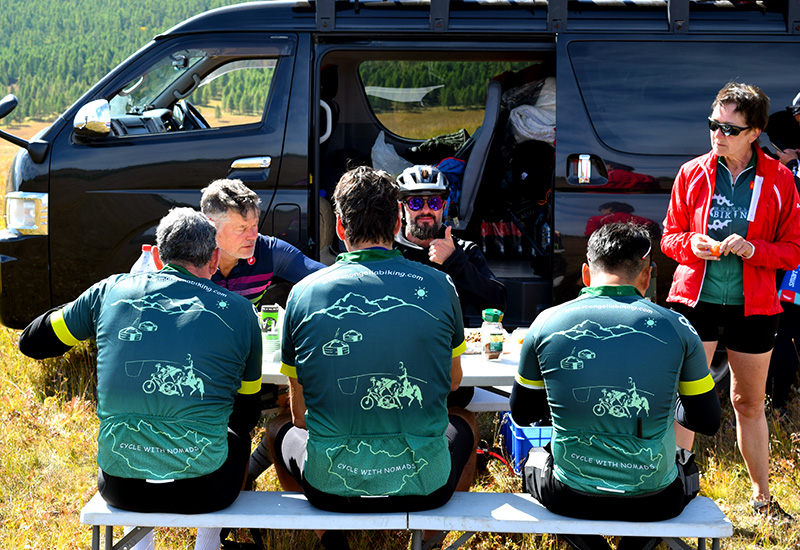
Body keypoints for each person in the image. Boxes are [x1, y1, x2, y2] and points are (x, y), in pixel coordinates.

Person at [18, 208, 262, 550]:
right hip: (206, 489)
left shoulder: (109, 291)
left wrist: (83, 309)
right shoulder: (240, 311)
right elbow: (247, 415)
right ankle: (208, 545)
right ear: (214, 258)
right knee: (236, 432)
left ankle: (140, 546)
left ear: (158, 256)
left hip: (122, 485)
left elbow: (31, 343)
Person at [266, 166, 477, 550]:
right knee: (464, 422)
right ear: (398, 221)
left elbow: (299, 415)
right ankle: (429, 540)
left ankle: (331, 538)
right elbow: (452, 382)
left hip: (330, 489)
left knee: (278, 428)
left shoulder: (301, 294)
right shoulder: (440, 284)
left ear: (341, 229)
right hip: (425, 488)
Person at [511, 222, 721, 550]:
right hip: (654, 499)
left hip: (570, 494)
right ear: (647, 276)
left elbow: (523, 413)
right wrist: (670, 405)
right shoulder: (677, 326)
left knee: (534, 462)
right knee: (685, 468)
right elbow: (707, 420)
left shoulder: (545, 322)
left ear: (585, 273)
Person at [661, 81, 800, 522]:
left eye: (729, 128)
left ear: (755, 131)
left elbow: (794, 250)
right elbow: (668, 238)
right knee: (686, 396)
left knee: (748, 403)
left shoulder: (780, 179)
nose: (717, 135)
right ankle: (675, 488)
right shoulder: (691, 172)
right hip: (694, 300)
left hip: (754, 306)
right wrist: (692, 245)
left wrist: (755, 249)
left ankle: (761, 497)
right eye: (712, 125)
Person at [200, 178, 325, 491]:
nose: (253, 235)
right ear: (209, 226)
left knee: (295, 399)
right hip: (200, 366)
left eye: (255, 224)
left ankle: (247, 476)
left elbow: (325, 280)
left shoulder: (267, 251)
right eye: (242, 229)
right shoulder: (191, 256)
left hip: (247, 362)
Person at [393, 165, 507, 407]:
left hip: (449, 371)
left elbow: (497, 303)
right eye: (415, 203)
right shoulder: (389, 251)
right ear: (402, 208)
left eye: (433, 202)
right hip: (396, 365)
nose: (425, 210)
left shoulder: (463, 251)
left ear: (444, 207)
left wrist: (455, 261)